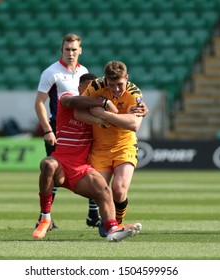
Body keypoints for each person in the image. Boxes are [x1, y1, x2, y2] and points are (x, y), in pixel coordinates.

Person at [32, 73, 142, 241]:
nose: (90, 92)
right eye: (87, 88)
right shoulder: (69, 98)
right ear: (79, 88)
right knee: (48, 163)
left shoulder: (98, 113)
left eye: (94, 89)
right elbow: (71, 102)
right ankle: (45, 217)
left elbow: (123, 117)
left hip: (81, 169)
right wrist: (104, 102)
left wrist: (142, 109)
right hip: (61, 162)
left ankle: (113, 229)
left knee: (104, 190)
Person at [34, 33, 101, 228]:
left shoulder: (84, 72)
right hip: (59, 128)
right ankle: (44, 217)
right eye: (67, 49)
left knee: (91, 167)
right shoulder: (51, 72)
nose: (70, 53)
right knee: (54, 173)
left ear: (80, 50)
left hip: (83, 127)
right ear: (61, 50)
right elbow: (39, 103)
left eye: (74, 49)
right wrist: (47, 130)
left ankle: (93, 215)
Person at [80, 61, 147, 233]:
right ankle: (110, 223)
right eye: (112, 85)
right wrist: (103, 119)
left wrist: (103, 114)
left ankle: (116, 224)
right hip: (100, 148)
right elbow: (79, 111)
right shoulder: (96, 87)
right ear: (105, 80)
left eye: (120, 85)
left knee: (118, 189)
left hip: (124, 145)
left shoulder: (134, 93)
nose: (116, 89)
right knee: (99, 191)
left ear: (127, 78)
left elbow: (134, 124)